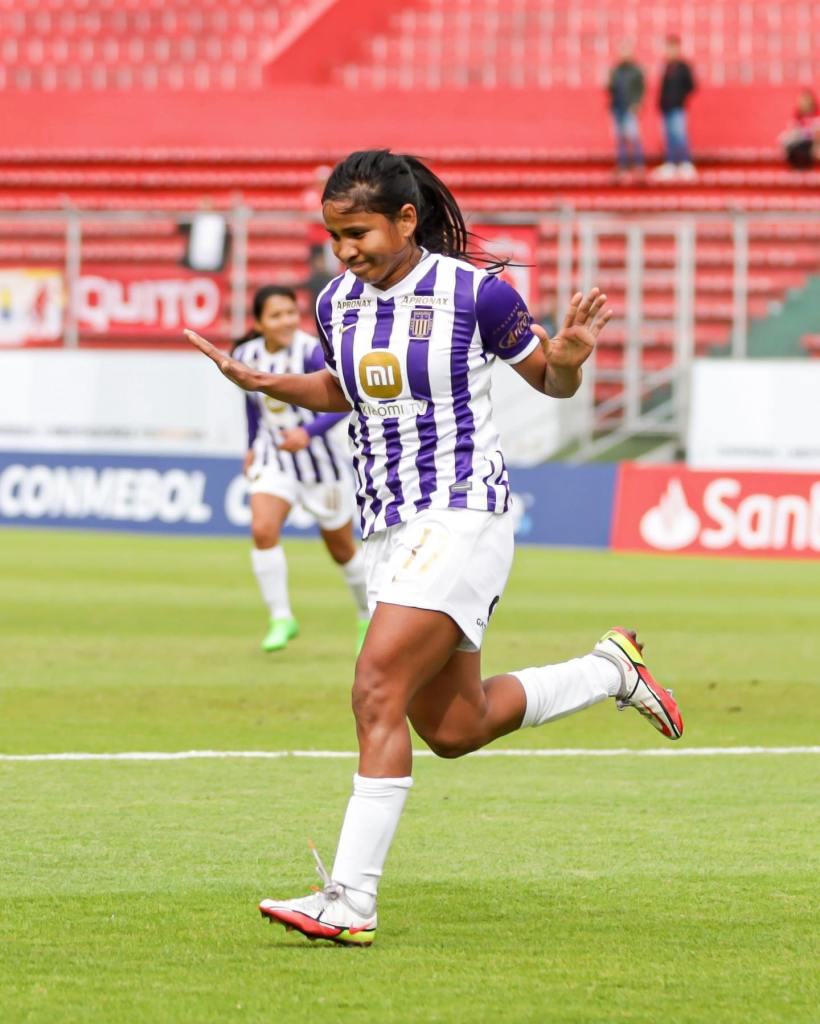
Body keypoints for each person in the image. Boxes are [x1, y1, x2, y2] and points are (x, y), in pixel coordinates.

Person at [185, 149, 685, 947]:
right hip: (388, 523)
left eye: (358, 233)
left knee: (375, 685)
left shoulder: (476, 294)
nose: (344, 251)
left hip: (462, 511)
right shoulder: (336, 303)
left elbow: (549, 383)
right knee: (455, 727)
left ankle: (348, 899)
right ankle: (607, 670)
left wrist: (568, 361)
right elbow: (346, 389)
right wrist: (263, 382)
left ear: (406, 219)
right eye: (333, 235)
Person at [232, 284, 370, 653]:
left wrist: (308, 432)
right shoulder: (246, 354)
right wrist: (250, 446)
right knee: (262, 529)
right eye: (276, 315)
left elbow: (345, 403)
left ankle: (365, 614)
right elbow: (252, 405)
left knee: (342, 550)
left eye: (291, 312)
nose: (286, 321)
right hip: (273, 458)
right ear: (259, 322)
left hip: (321, 466)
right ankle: (281, 617)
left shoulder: (311, 352)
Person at [652, 35, 697, 180]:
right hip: (666, 107)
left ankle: (685, 163)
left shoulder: (683, 67)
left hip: (677, 106)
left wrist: (680, 97)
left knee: (680, 135)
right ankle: (670, 163)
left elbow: (691, 85)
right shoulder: (666, 67)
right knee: (669, 136)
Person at [607, 42, 645, 177]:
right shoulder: (616, 70)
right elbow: (610, 89)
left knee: (634, 137)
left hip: (630, 108)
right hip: (618, 107)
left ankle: (639, 165)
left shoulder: (636, 71)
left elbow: (641, 89)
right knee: (620, 138)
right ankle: (622, 165)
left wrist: (637, 103)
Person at [780, 89, 819, 170]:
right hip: (801, 141)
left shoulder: (817, 113)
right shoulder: (798, 115)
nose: (803, 103)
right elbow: (792, 128)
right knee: (787, 141)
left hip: (813, 142)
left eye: (805, 100)